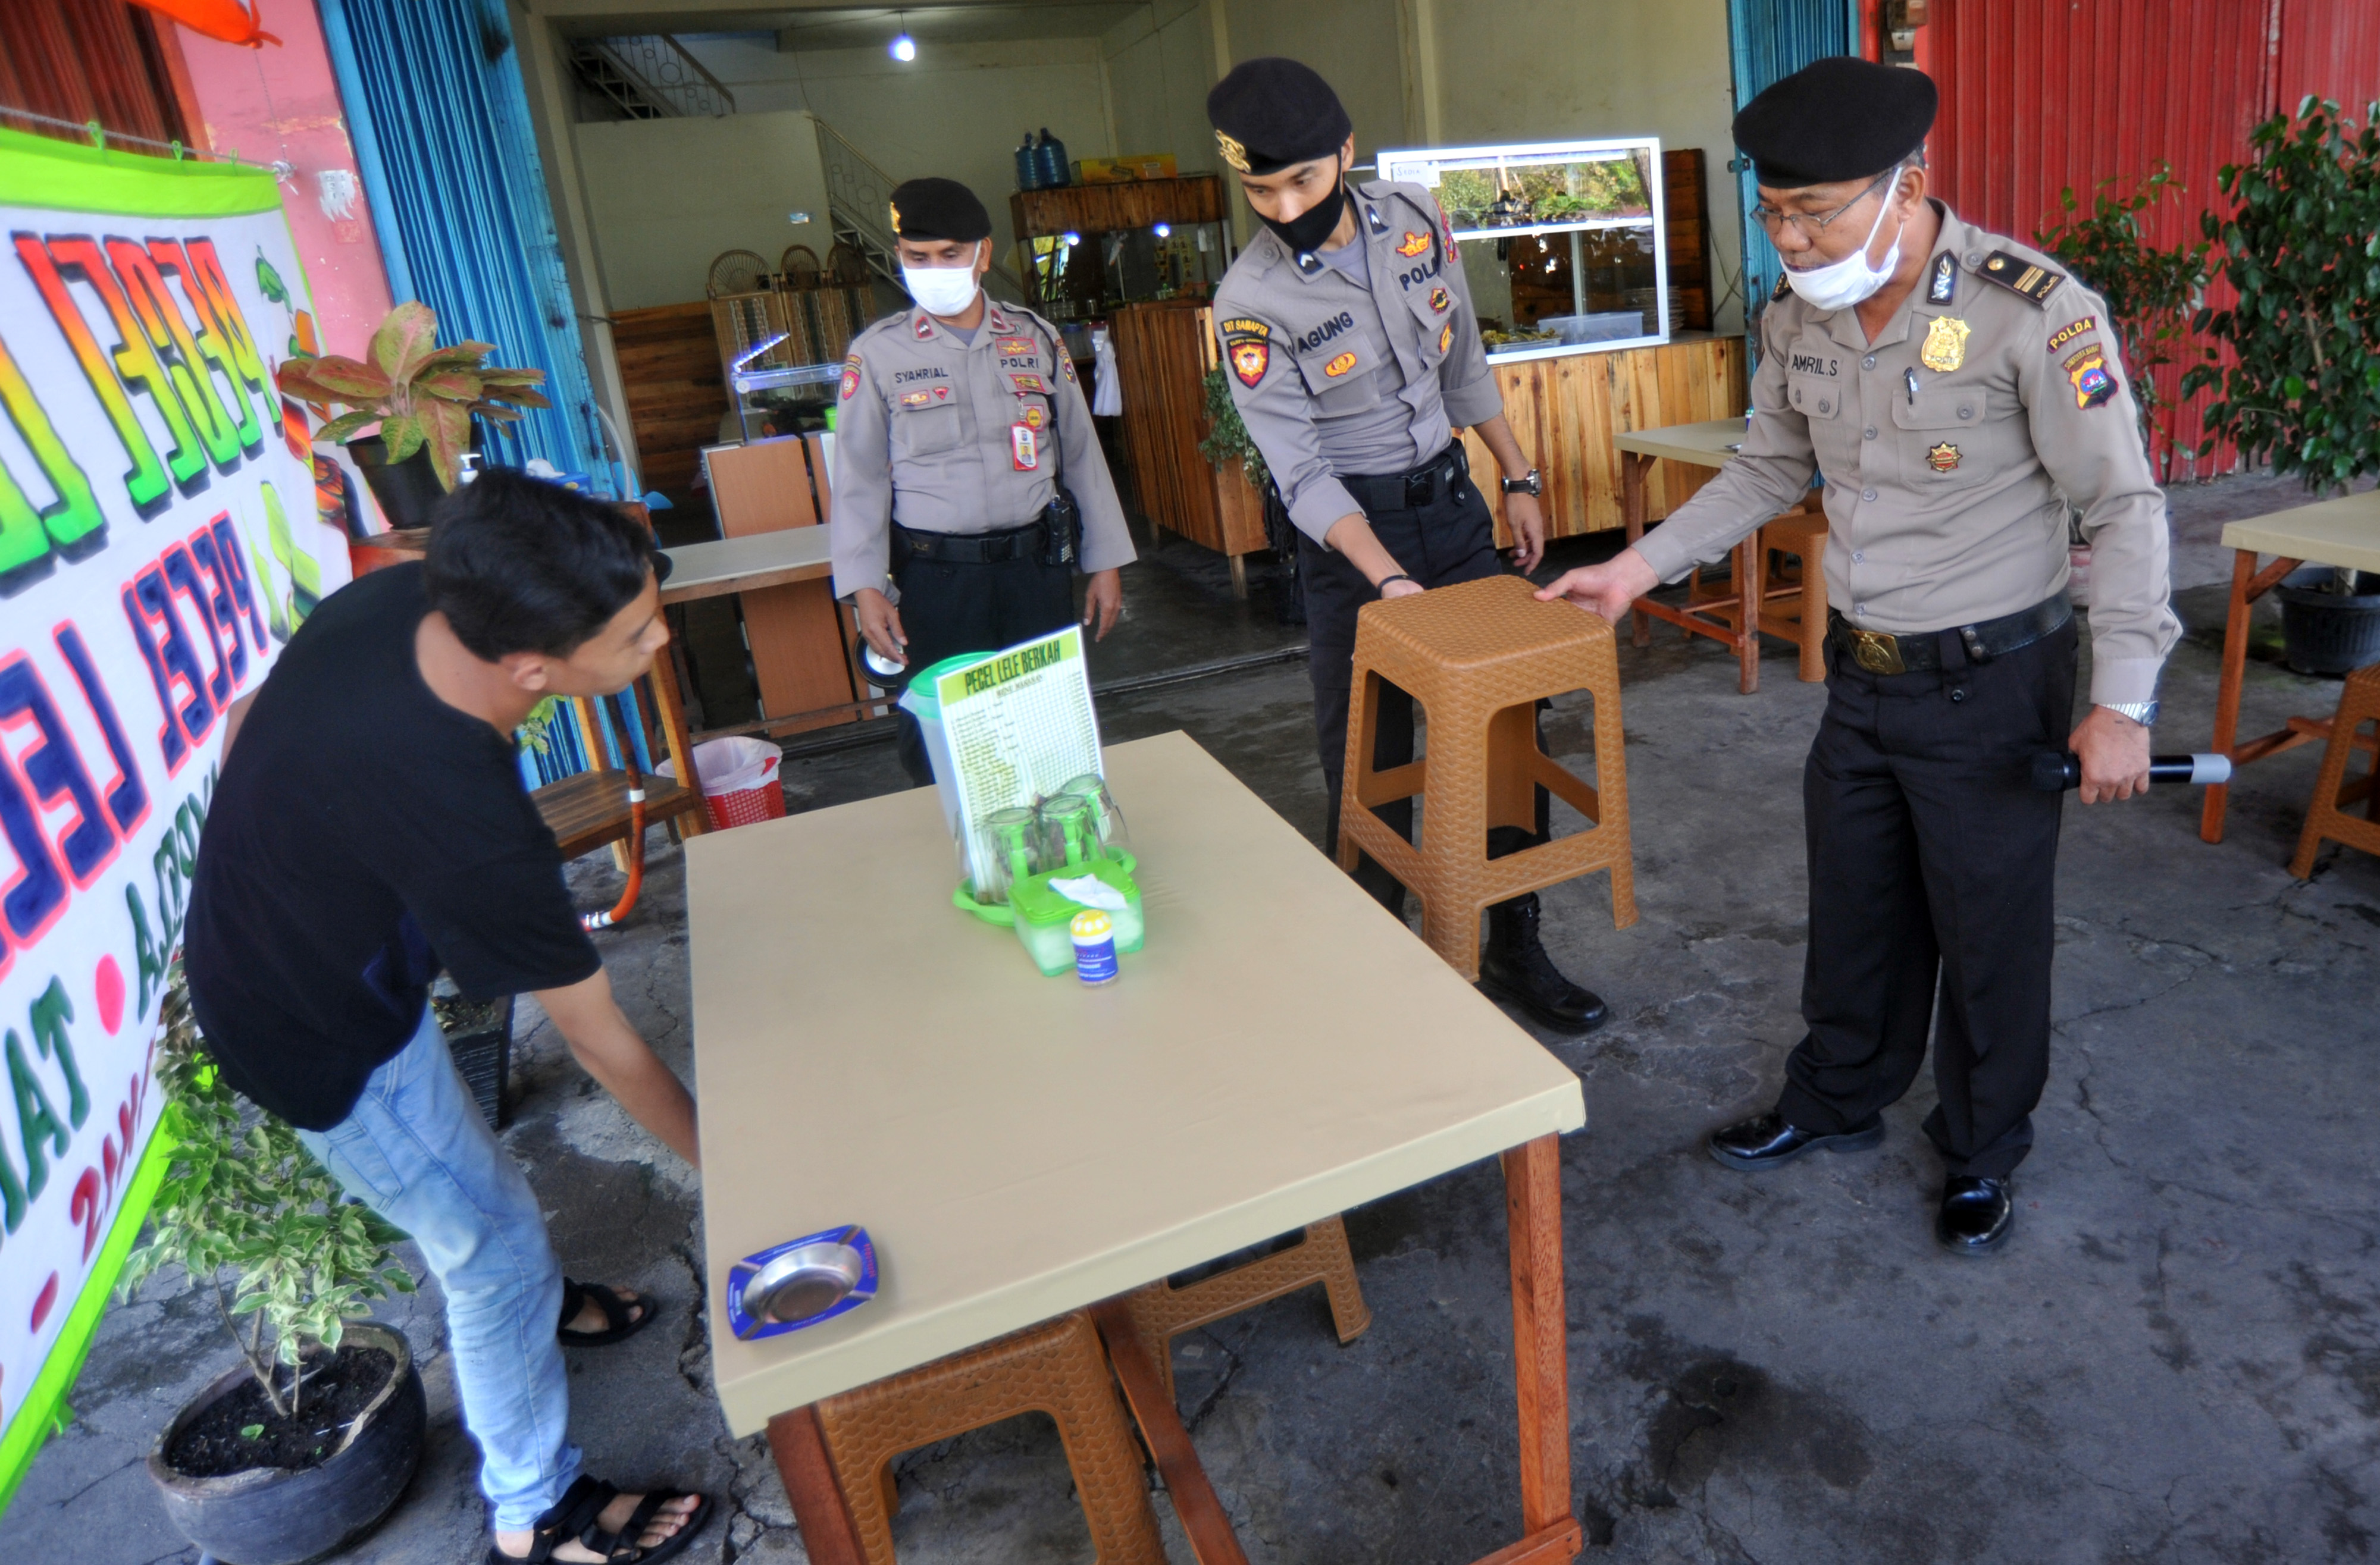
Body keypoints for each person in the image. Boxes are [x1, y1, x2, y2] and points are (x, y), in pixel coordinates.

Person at [1536, 57, 2178, 1254]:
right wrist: (1637, 566)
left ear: (1906, 185)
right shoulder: (1800, 314)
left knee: (1986, 934)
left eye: (1816, 210)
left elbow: (2122, 509)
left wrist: (2122, 698)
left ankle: (1981, 1147)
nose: (1790, 235)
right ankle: (1835, 1097)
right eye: (1772, 209)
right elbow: (1767, 467)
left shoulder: (2033, 312)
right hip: (1863, 676)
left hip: (1990, 682)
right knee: (1855, 910)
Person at [185, 471, 715, 1564]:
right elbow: (602, 1042)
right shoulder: (470, 817)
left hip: (314, 954)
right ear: (534, 668)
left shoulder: (398, 601)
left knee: (476, 1194)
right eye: (633, 635)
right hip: (318, 1033)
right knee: (491, 1245)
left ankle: (534, 1307)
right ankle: (538, 1515)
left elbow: (245, 721)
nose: (658, 641)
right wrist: (741, 1171)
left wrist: (306, 865)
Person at [1205, 57, 1607, 1034]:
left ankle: (1516, 947)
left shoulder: (1415, 218)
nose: (1282, 204)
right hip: (1355, 541)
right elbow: (1297, 472)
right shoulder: (1249, 300)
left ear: (1346, 152)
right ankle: (1376, 968)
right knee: (1368, 758)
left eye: (1300, 179)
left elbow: (1462, 353)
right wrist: (1386, 577)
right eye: (1259, 188)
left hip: (1456, 510)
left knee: (1508, 732)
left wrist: (1515, 476)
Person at [830, 176, 1136, 787]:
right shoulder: (879, 355)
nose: (934, 268)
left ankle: (1050, 858)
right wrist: (865, 587)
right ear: (900, 258)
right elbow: (858, 480)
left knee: (1048, 729)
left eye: (950, 253)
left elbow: (1080, 457)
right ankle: (964, 862)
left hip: (1035, 572)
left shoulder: (1036, 339)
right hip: (937, 581)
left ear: (982, 254)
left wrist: (1104, 562)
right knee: (942, 742)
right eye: (919, 257)